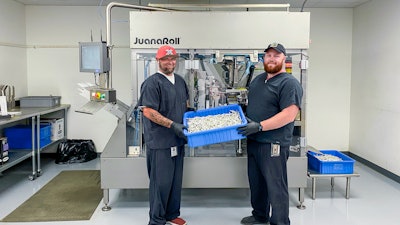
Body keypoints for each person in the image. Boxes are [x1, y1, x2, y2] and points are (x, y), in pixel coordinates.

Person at [238, 43, 303, 225]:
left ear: (283, 59)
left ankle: (280, 221)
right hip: (254, 141)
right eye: (268, 55)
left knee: (276, 186)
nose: (272, 58)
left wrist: (259, 126)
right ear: (263, 58)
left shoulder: (289, 83)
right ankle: (260, 215)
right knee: (257, 183)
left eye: (276, 55)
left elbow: (289, 114)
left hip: (273, 143)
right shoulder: (258, 80)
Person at [138, 45, 189, 225]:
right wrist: (172, 124)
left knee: (175, 181)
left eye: (173, 59)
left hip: (178, 140)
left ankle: (171, 214)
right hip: (160, 141)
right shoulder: (152, 83)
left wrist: (195, 118)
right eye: (165, 59)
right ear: (158, 60)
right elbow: (148, 112)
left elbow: (184, 106)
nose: (170, 62)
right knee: (160, 183)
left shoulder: (181, 81)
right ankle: (157, 220)